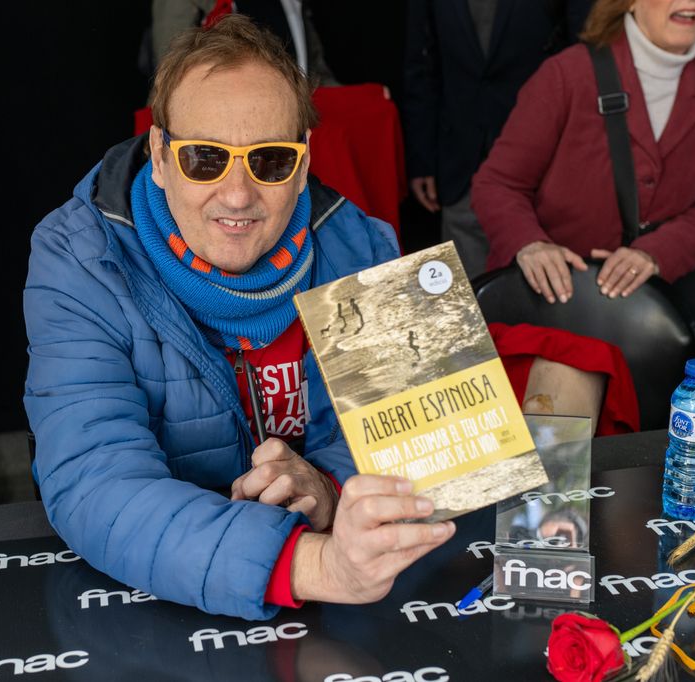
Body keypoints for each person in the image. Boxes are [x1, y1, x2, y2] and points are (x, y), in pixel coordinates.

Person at [24, 15, 456, 621]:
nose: (236, 195)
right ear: (160, 154)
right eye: (205, 158)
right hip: (157, 614)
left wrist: (326, 489)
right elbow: (97, 482)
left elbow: (425, 441)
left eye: (270, 161)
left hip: (354, 593)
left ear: (303, 164)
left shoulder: (366, 247)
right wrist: (314, 564)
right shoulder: (79, 258)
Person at [472, 0, 695, 342]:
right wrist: (531, 244)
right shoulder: (566, 74)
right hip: (556, 307)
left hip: (651, 322)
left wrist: (656, 254)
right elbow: (497, 184)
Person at [403, 0, 592, 278]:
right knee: (467, 295)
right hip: (459, 158)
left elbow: (586, 55)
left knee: (541, 288)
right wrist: (422, 159)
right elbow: (421, 65)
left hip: (544, 163)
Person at [150, 0, 338, 85]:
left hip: (294, 119)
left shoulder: (292, 3)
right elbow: (170, 72)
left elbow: (316, 73)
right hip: (216, 119)